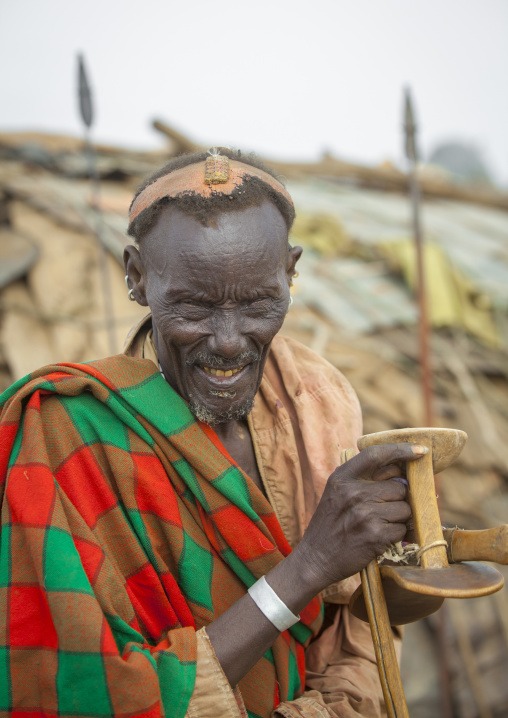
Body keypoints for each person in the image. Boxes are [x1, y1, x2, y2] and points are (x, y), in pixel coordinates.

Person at [0, 149, 424, 718]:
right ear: (137, 276)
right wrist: (308, 567)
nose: (228, 341)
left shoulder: (312, 403)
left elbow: (354, 629)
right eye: (194, 306)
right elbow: (84, 689)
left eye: (258, 304)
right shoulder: (66, 436)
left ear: (291, 272)